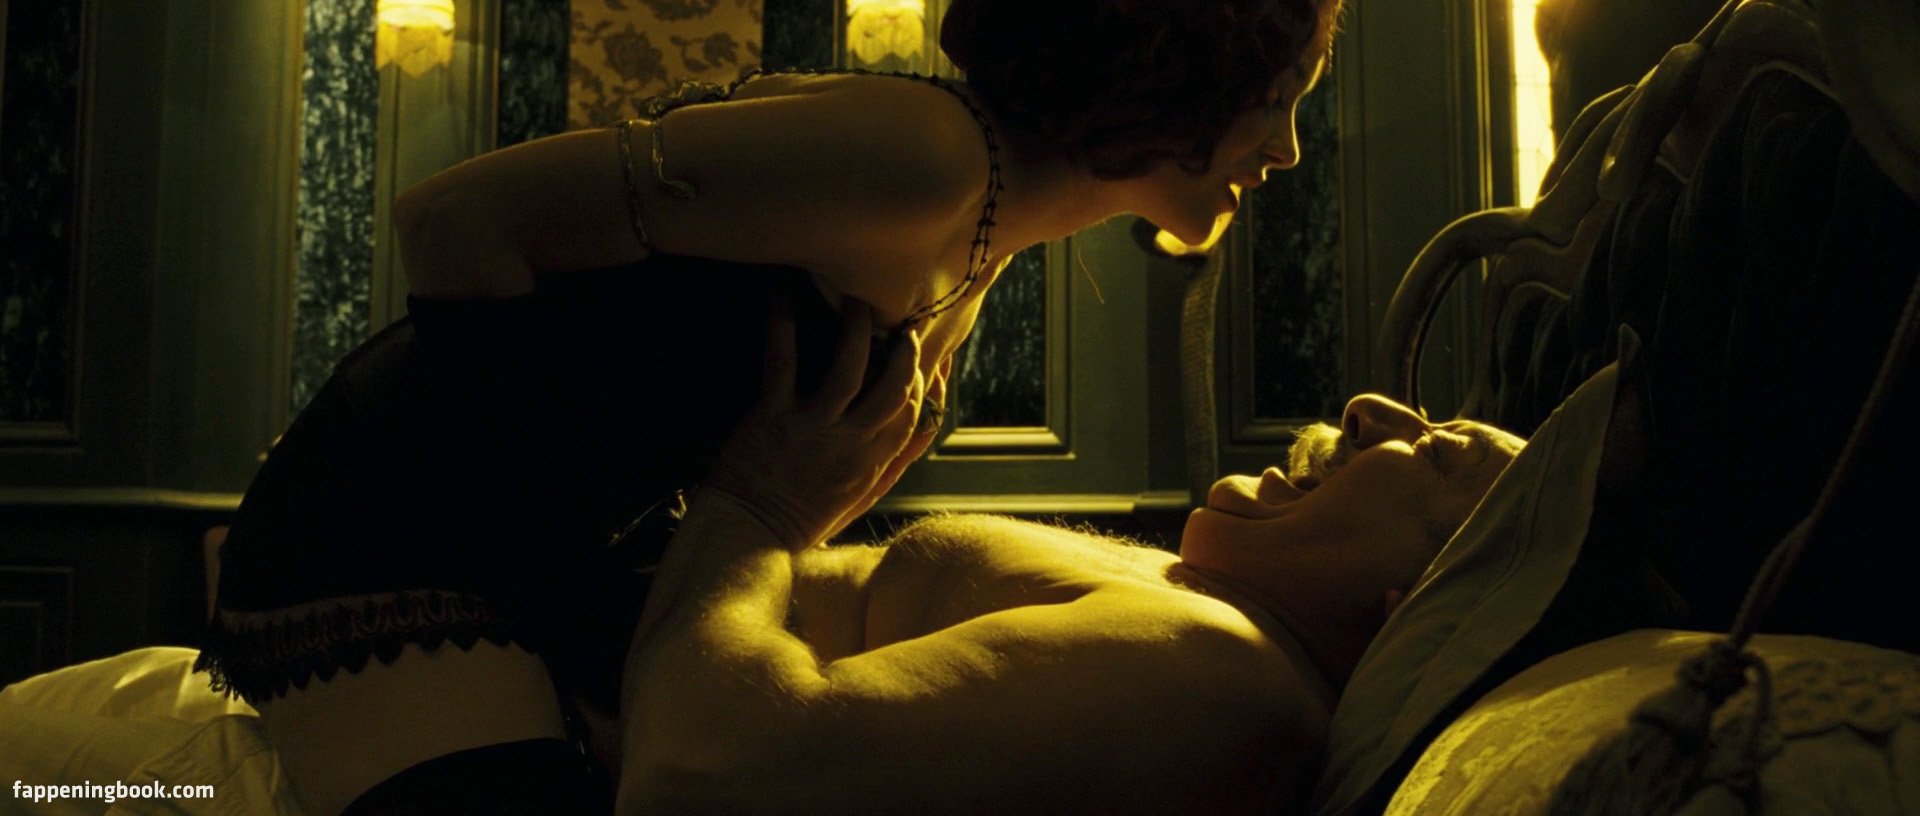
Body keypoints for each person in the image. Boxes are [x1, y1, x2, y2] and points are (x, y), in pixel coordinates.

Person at [196, 0, 1347, 812]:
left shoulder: (979, 236)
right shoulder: (924, 157)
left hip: (519, 564)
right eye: (1278, 99)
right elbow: (449, 224)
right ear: (1182, 69)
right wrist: (589, 603)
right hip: (376, 539)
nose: (1289, 151)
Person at [614, 307, 1525, 815]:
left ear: (1419, 601)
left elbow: (695, 775)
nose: (1368, 411)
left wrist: (757, 506)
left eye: (1437, 452)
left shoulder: (1219, 674)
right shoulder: (1210, 619)